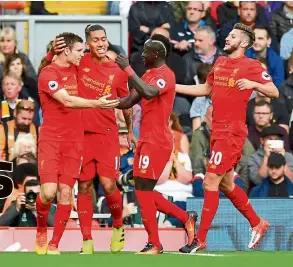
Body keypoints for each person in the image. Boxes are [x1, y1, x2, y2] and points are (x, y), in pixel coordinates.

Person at [176, 23, 279, 253]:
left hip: (231, 133)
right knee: (226, 183)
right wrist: (173, 87)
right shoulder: (220, 62)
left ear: (243, 42)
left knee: (209, 182)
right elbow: (205, 89)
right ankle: (257, 222)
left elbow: (274, 91)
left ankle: (200, 238)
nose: (227, 38)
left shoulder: (251, 65)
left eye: (232, 36)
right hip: (217, 131)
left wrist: (254, 84)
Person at [48, 24, 136, 254]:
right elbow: (55, 65)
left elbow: (126, 105)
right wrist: (53, 49)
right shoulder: (80, 61)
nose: (101, 43)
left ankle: (118, 225)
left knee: (108, 185)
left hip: (107, 135)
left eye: (103, 39)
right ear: (87, 44)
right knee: (84, 186)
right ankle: (86, 239)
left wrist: (131, 131)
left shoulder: (117, 70)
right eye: (95, 40)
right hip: (80, 135)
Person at [34, 32, 120, 255]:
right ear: (66, 51)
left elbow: (99, 62)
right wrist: (97, 103)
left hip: (75, 140)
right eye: (79, 51)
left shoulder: (78, 68)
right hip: (51, 140)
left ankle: (54, 244)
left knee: (65, 193)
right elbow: (67, 100)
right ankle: (41, 228)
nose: (83, 55)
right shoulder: (48, 73)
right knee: (48, 192)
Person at [115, 34, 198, 255]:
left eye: (146, 51)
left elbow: (150, 92)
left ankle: (155, 243)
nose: (142, 54)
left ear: (157, 54)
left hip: (157, 140)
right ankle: (184, 217)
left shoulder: (166, 75)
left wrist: (128, 70)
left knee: (142, 191)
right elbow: (129, 100)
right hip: (146, 139)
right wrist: (102, 101)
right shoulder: (148, 74)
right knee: (144, 191)